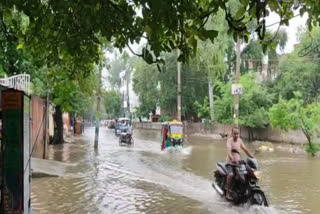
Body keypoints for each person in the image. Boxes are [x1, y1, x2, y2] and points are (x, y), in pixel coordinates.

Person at [225, 127, 254, 201]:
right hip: (230, 163)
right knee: (231, 174)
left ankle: (242, 191)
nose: (236, 135)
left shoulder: (240, 140)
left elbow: (245, 149)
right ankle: (227, 193)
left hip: (238, 163)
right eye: (235, 133)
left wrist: (252, 156)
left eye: (237, 133)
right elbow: (229, 151)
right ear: (232, 133)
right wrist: (232, 159)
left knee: (246, 174)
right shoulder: (229, 141)